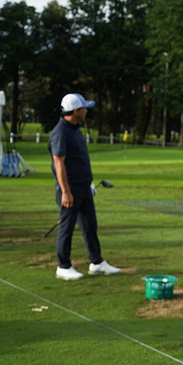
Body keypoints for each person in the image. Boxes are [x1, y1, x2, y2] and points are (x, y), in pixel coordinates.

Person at [49, 92, 120, 280]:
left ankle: (96, 262)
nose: (86, 111)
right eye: (84, 108)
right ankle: (63, 266)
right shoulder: (60, 133)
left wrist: (88, 183)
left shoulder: (75, 129)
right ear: (76, 111)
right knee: (67, 228)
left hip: (83, 187)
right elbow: (59, 164)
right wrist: (65, 192)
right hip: (69, 189)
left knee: (90, 226)